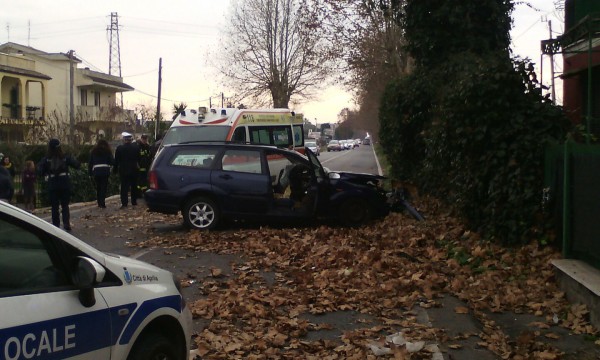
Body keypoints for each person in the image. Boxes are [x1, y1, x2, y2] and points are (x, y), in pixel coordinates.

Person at [37, 138, 80, 231]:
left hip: (53, 184)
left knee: (54, 207)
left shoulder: (46, 159)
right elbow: (76, 165)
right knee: (65, 205)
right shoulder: (65, 157)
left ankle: (55, 225)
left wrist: (46, 173)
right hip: (64, 183)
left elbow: (40, 170)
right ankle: (66, 223)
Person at [114, 132, 140, 209]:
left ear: (124, 139)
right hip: (134, 170)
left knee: (124, 187)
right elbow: (139, 159)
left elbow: (116, 161)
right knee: (134, 186)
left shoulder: (119, 148)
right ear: (131, 139)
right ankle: (134, 201)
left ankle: (124, 203)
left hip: (123, 170)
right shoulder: (136, 148)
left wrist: (115, 170)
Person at [88, 139, 114, 208]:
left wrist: (90, 173)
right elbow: (112, 161)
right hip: (105, 171)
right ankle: (102, 202)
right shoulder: (107, 151)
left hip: (96, 171)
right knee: (103, 187)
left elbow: (90, 163)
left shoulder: (93, 151)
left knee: (98, 187)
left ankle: (99, 202)